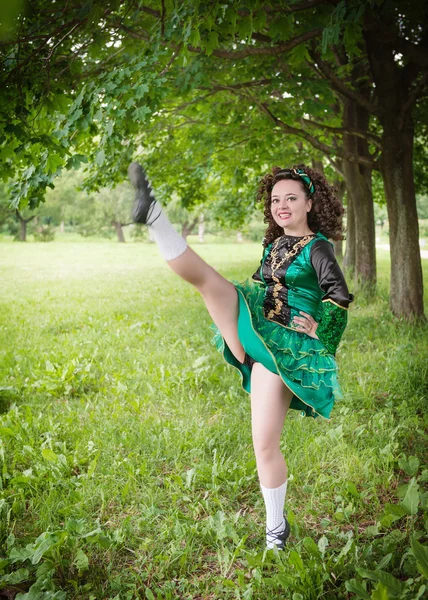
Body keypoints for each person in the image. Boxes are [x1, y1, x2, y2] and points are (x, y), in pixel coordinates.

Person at [128, 162, 353, 550]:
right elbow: (267, 285)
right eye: (275, 199)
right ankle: (153, 215)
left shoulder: (318, 248)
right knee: (207, 282)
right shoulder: (274, 244)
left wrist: (321, 334)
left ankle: (275, 530)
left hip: (283, 348)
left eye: (291, 199)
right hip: (257, 326)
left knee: (264, 444)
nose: (281, 205)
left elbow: (339, 296)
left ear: (310, 204)